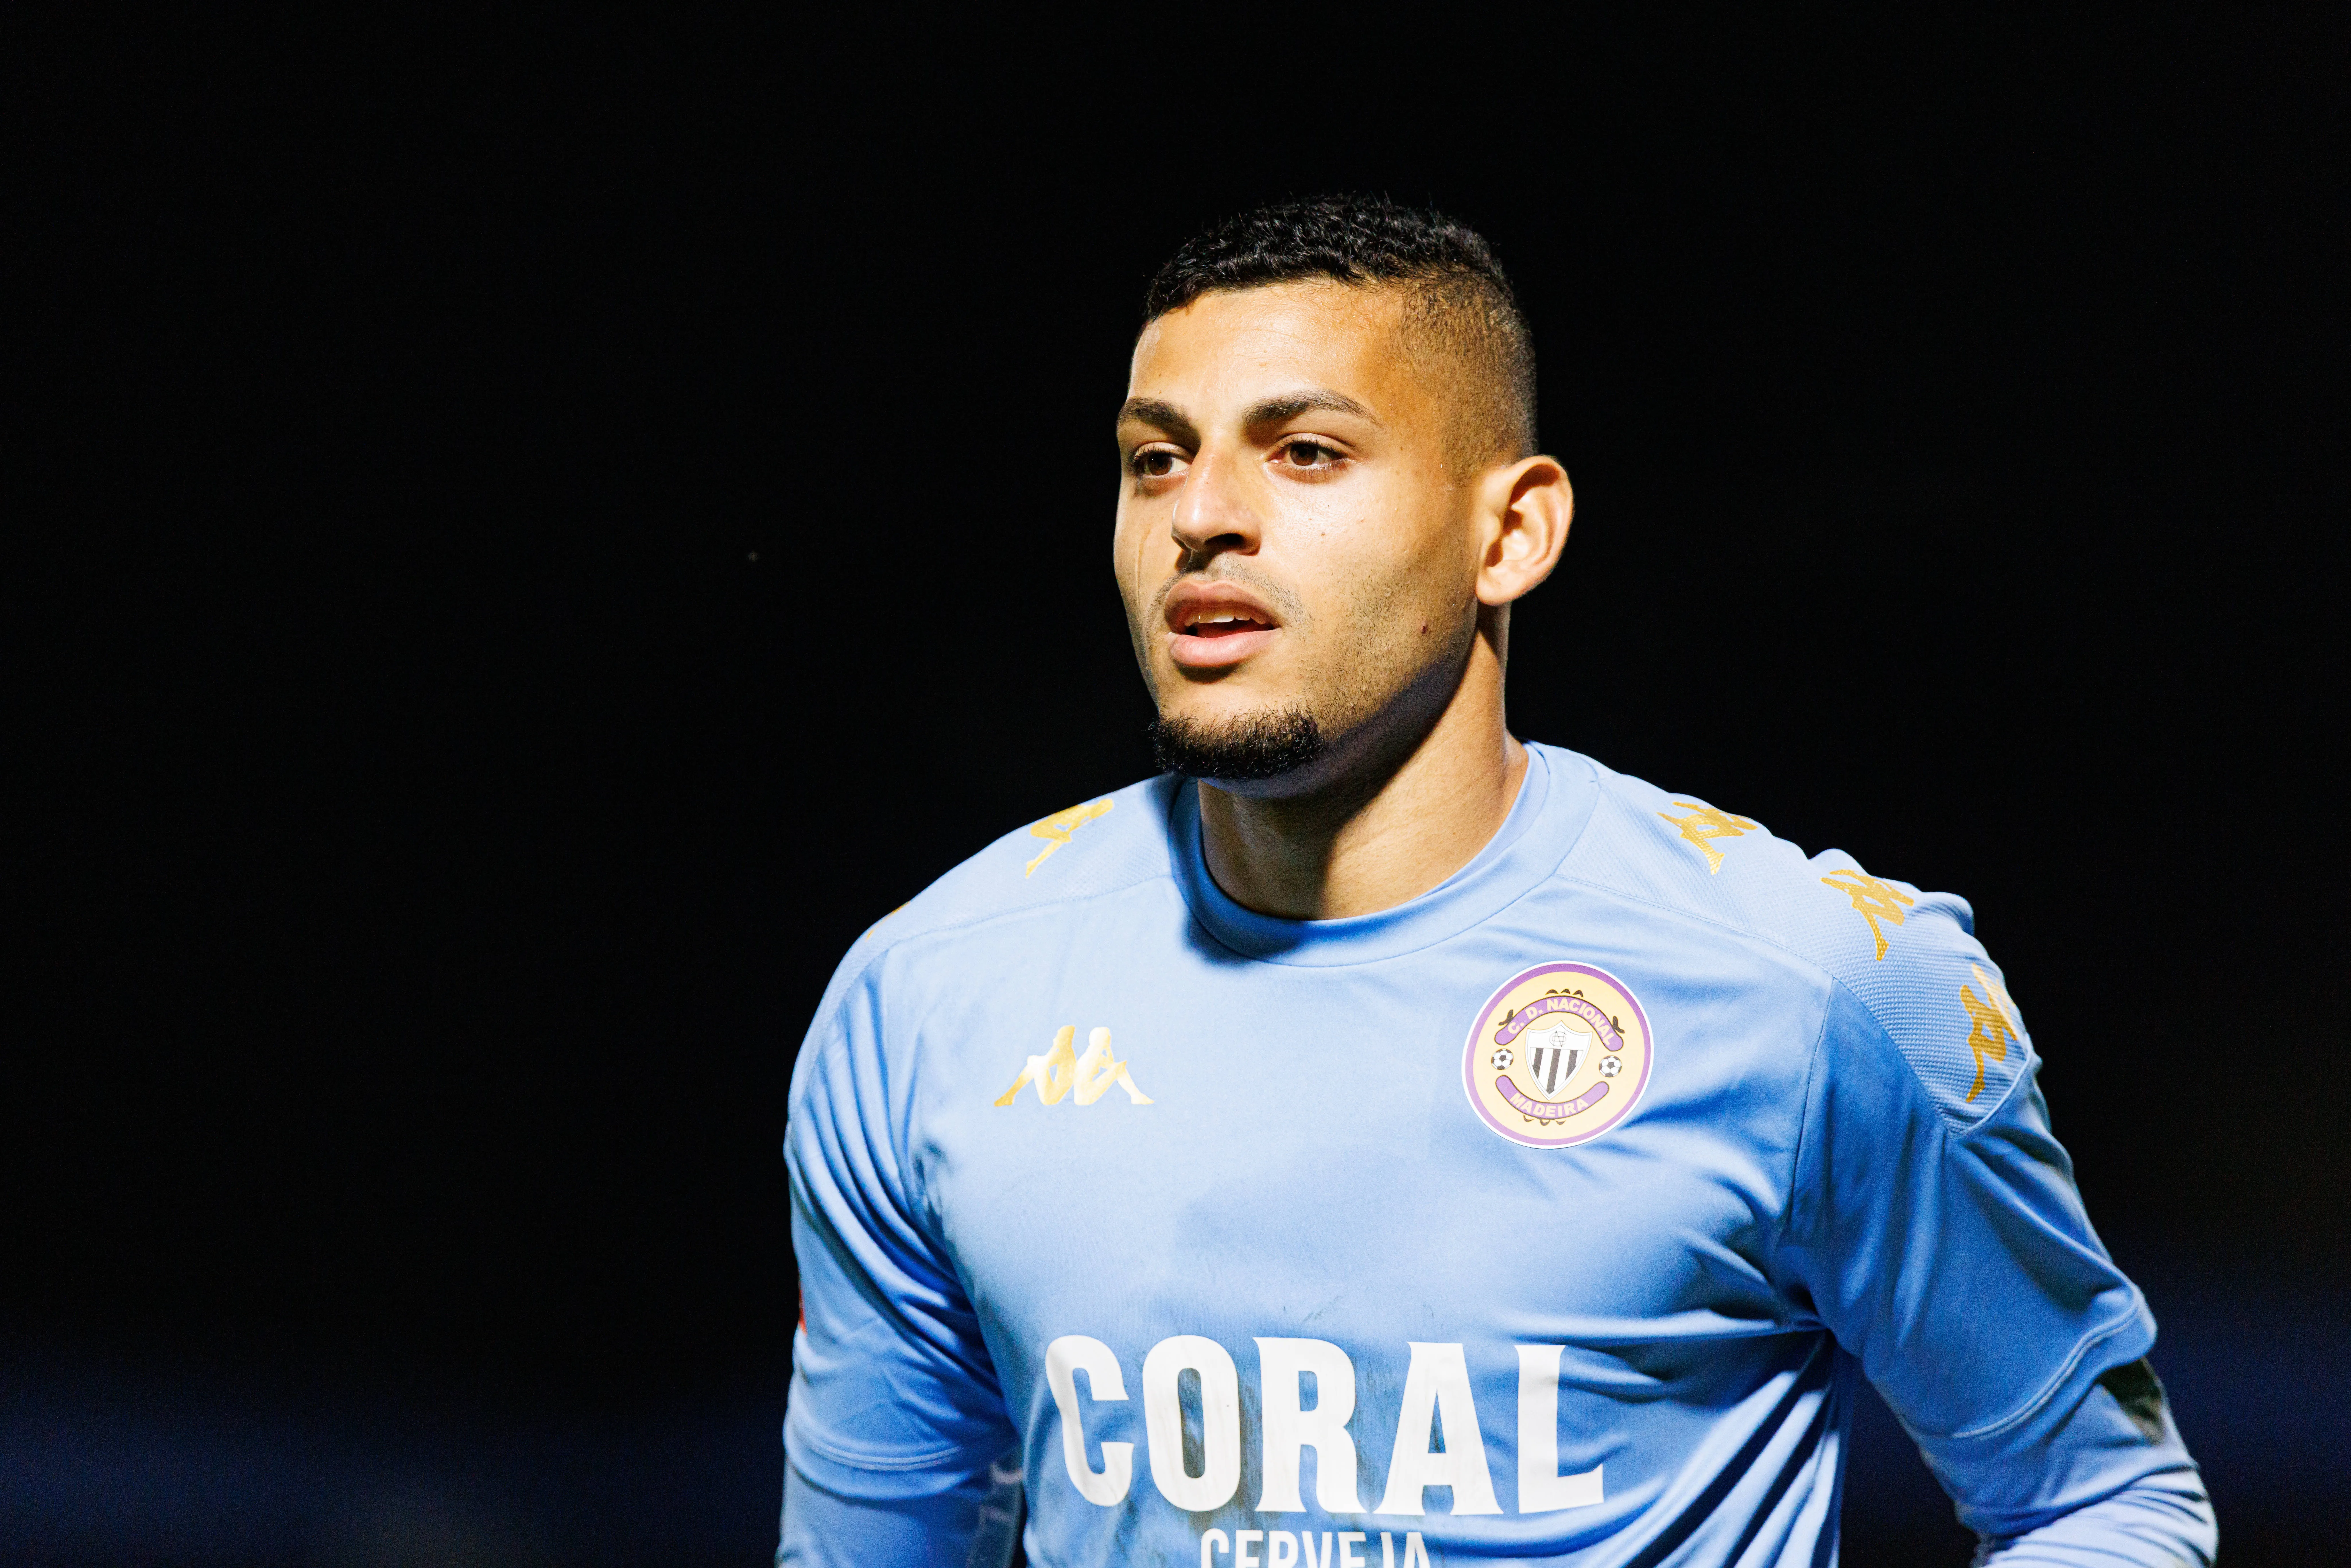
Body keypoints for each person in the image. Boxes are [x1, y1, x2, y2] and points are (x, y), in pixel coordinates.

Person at [777, 197, 2215, 1566]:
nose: (1200, 514)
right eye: (1155, 458)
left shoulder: (1812, 984)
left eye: (1307, 454)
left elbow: (2099, 1504)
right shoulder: (928, 1000)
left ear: (1510, 532)